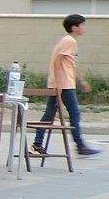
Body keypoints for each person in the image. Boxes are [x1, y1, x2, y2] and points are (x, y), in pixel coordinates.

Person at [34, 13, 102, 157]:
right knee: (74, 113)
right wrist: (58, 83)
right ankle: (80, 146)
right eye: (82, 25)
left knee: (49, 114)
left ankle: (37, 143)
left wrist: (81, 81)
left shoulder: (67, 41)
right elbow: (58, 61)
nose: (84, 27)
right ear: (74, 27)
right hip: (63, 85)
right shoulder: (69, 41)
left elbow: (70, 65)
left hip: (63, 83)